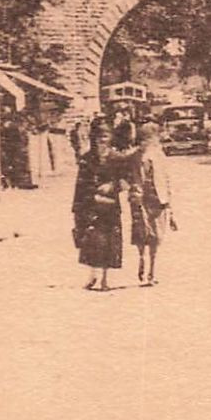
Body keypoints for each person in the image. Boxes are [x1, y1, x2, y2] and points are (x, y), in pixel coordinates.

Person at [73, 114, 123, 290]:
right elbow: (80, 185)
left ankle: (105, 279)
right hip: (90, 205)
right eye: (98, 136)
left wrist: (113, 185)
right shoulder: (86, 159)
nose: (102, 140)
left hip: (110, 206)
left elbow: (126, 181)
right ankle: (93, 275)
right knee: (92, 241)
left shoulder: (117, 158)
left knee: (109, 242)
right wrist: (77, 208)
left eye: (105, 136)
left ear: (111, 137)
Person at [130, 121, 174, 287]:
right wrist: (137, 199)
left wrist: (170, 205)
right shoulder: (135, 157)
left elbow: (166, 179)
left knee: (157, 237)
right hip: (141, 200)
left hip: (158, 200)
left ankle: (152, 271)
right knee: (142, 235)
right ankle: (142, 258)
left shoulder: (160, 156)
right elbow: (134, 179)